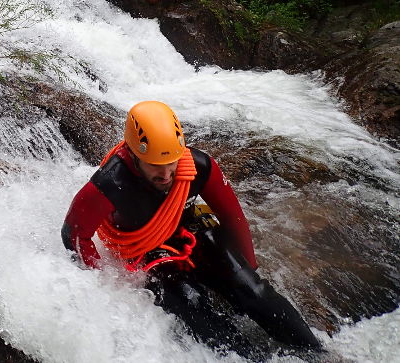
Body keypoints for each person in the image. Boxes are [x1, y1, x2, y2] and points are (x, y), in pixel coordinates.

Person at [62, 101, 320, 353]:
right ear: (133, 154)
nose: (165, 174)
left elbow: (233, 217)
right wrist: (108, 283)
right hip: (147, 253)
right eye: (155, 165)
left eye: (171, 162)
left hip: (192, 233)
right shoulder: (110, 183)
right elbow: (74, 234)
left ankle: (319, 354)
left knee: (251, 289)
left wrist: (247, 269)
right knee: (188, 301)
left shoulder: (199, 166)